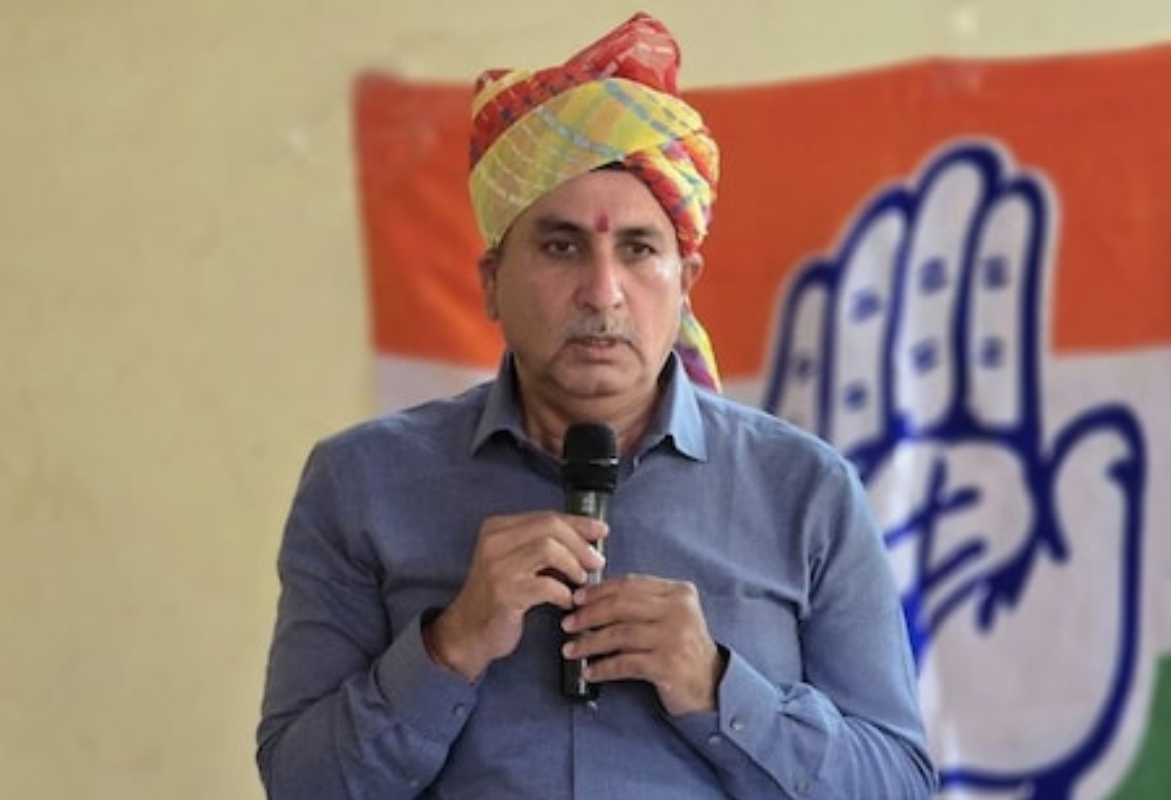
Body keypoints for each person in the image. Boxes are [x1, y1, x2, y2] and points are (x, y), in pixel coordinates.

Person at [256, 12, 937, 800]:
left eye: (639, 250)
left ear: (685, 284)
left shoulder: (805, 492)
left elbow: (898, 785)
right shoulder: (361, 484)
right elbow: (301, 783)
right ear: (491, 284)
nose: (603, 292)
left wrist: (717, 687)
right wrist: (450, 647)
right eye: (561, 246)